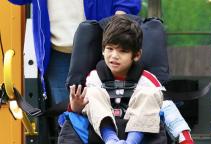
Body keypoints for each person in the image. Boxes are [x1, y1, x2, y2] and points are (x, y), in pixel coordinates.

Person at [68, 14, 197, 144]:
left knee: (152, 96)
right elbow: (81, 110)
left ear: (136, 56)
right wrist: (76, 106)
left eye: (122, 51)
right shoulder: (95, 77)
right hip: (101, 137)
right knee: (90, 94)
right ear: (102, 50)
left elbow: (169, 112)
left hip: (136, 140)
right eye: (109, 49)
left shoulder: (148, 81)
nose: (114, 56)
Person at [8, 0, 142, 106]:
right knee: (68, 117)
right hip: (58, 54)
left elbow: (127, 4)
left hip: (103, 49)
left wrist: (118, 23)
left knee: (111, 109)